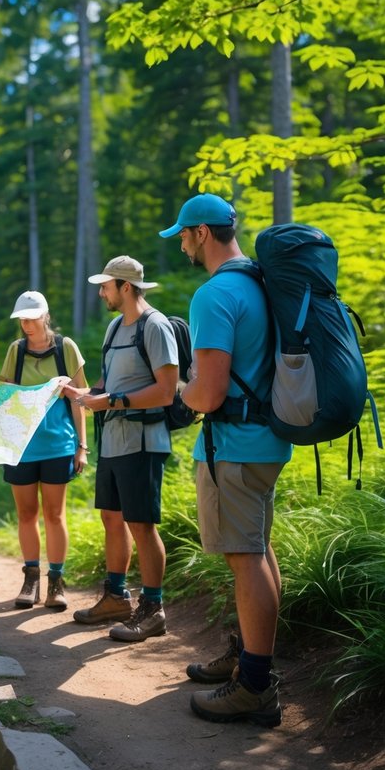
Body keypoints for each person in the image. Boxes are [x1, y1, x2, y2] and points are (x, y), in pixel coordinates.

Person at [161, 193, 291, 727]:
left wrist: (179, 394)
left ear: (202, 234)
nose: (184, 245)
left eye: (185, 236)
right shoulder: (260, 284)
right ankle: (248, 660)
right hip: (267, 438)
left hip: (233, 447)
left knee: (245, 557)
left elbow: (209, 393)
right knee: (259, 550)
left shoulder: (215, 295)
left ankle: (255, 687)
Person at [63, 256, 177, 644]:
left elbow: (166, 390)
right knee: (112, 518)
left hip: (143, 442)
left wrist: (110, 402)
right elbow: (109, 382)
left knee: (142, 525)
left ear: (125, 287)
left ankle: (153, 608)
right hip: (113, 441)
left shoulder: (156, 326)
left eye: (106, 286)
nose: (101, 292)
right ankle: (115, 597)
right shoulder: (115, 327)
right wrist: (83, 393)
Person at [0, 291, 89, 611]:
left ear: (45, 316)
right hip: (21, 447)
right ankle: (31, 578)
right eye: (22, 319)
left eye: (32, 318)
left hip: (58, 445)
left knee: (54, 514)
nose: (26, 324)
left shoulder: (66, 348)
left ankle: (56, 581)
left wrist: (82, 447)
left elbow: (81, 399)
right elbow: (3, 396)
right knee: (26, 514)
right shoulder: (16, 351)